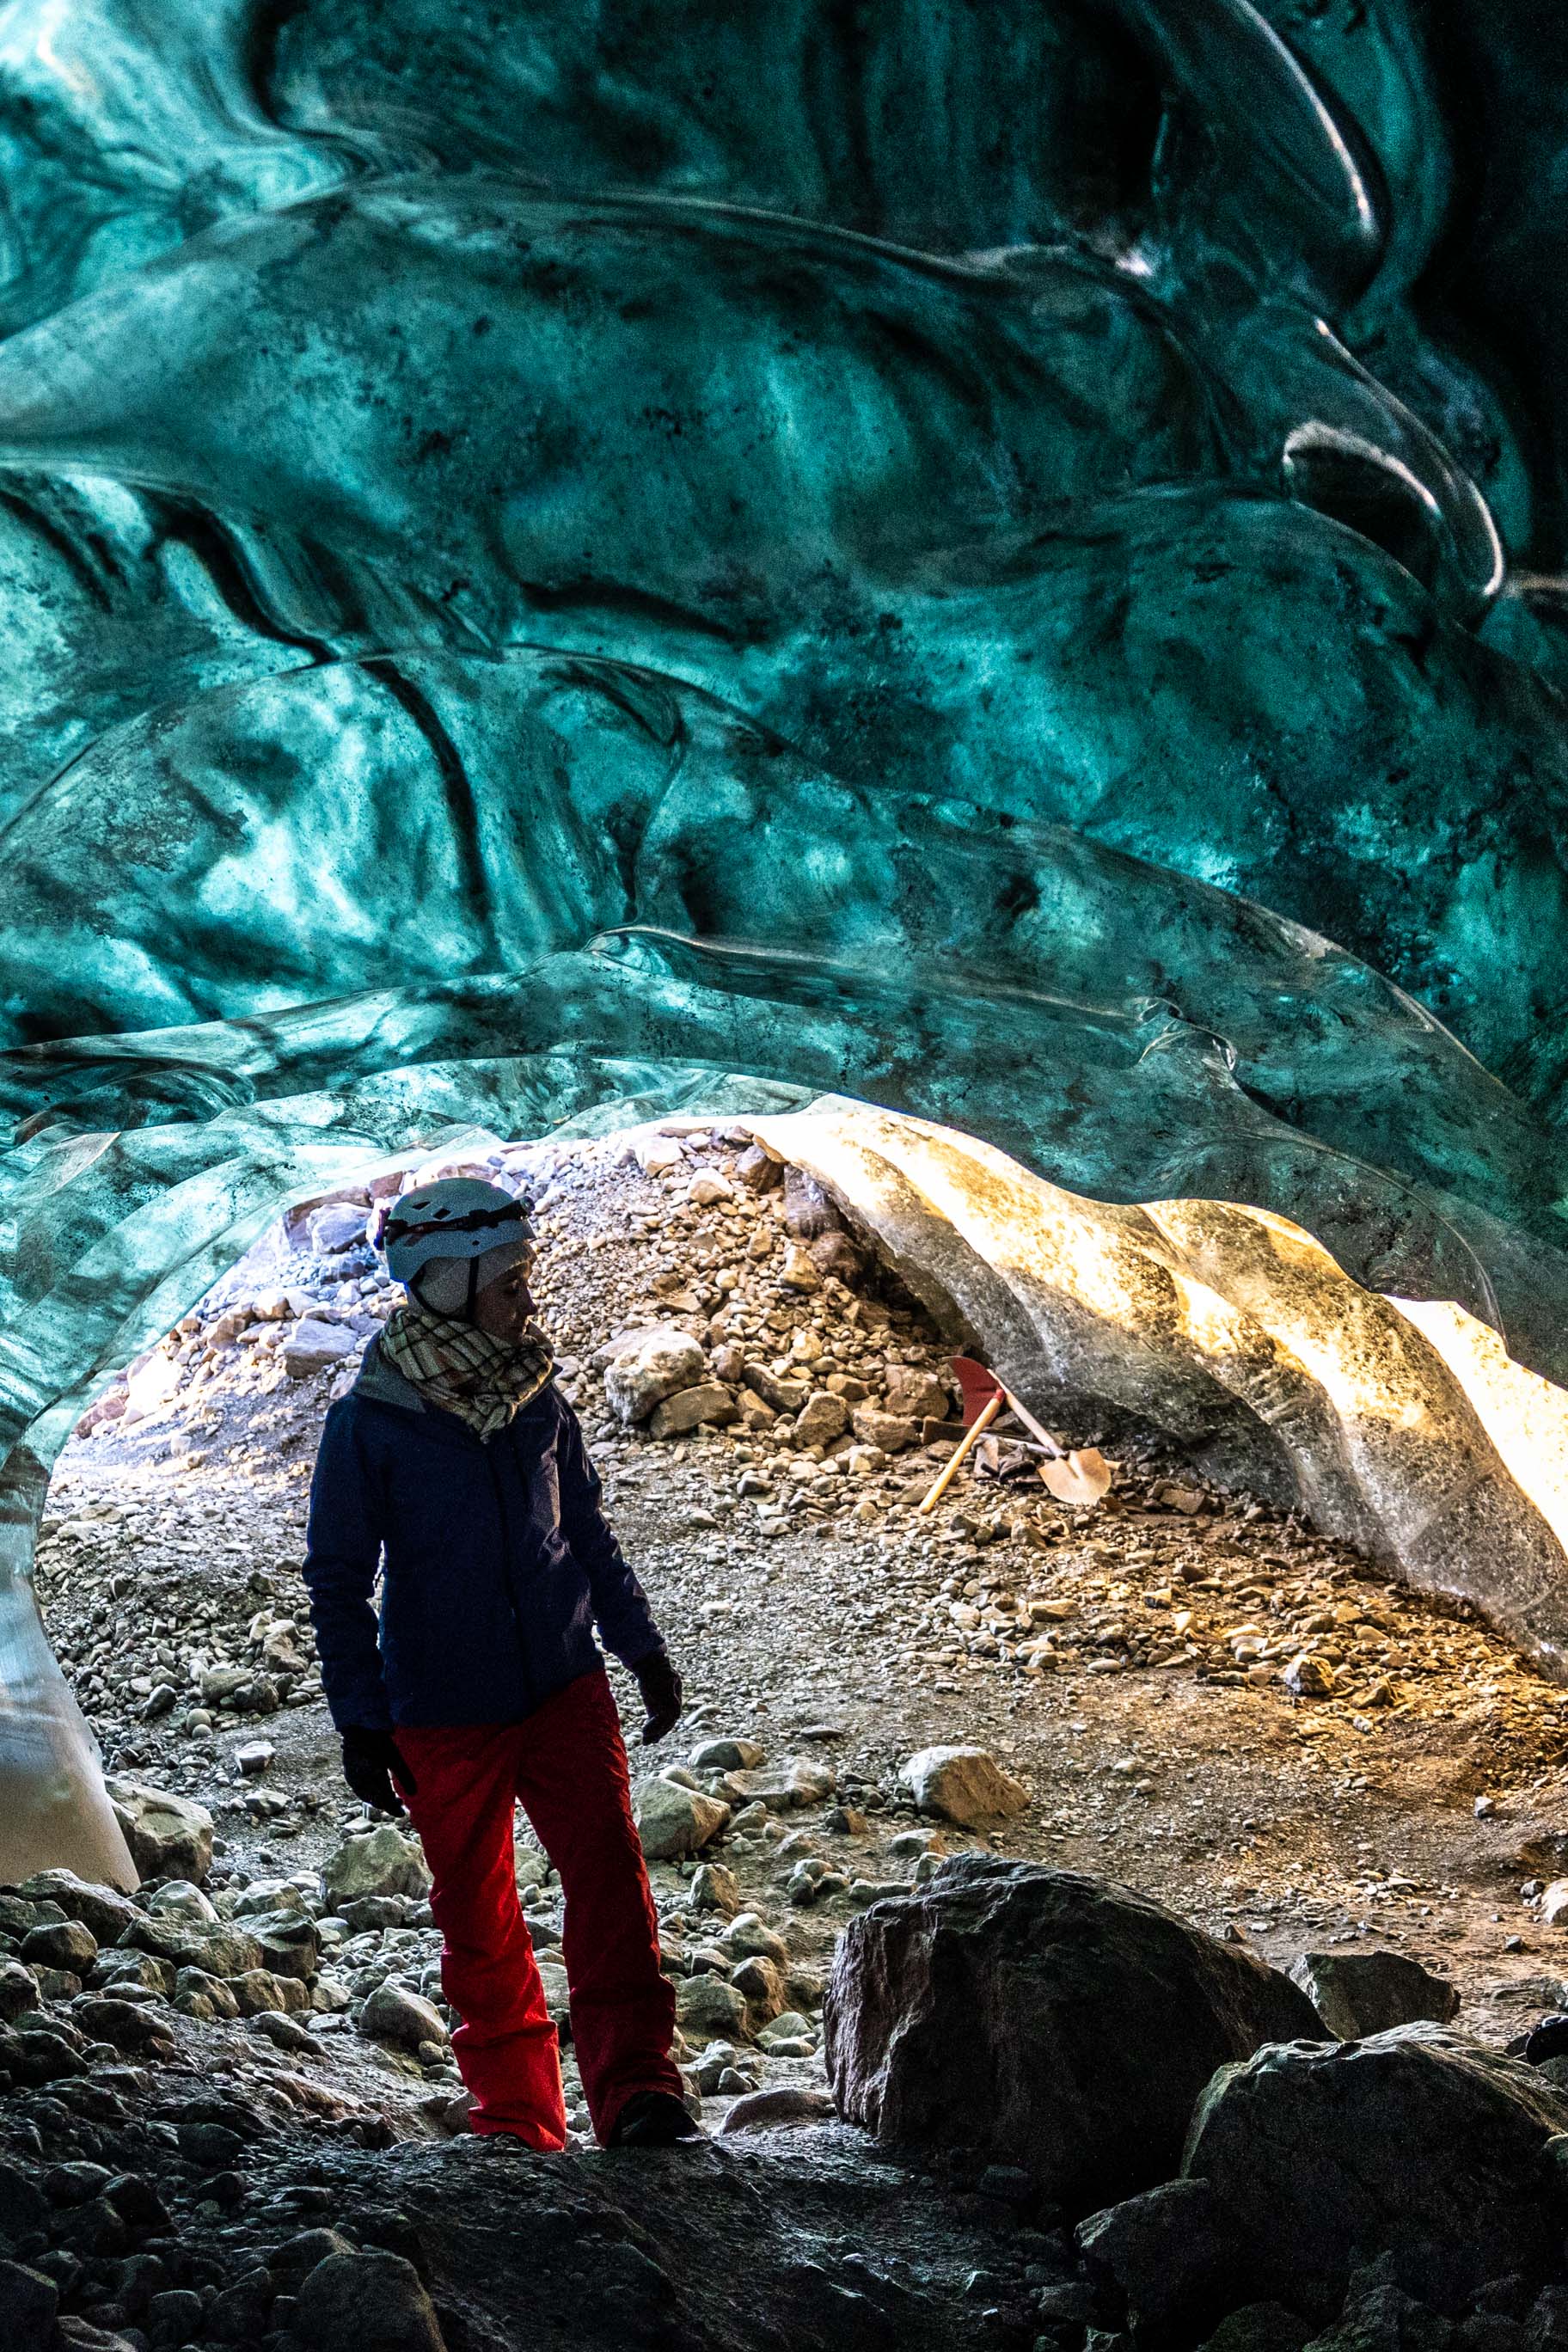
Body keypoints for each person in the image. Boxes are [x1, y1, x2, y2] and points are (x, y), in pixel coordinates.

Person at [302, 1175, 699, 2150]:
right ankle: (520, 2122)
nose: (527, 1301)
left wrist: (638, 1645)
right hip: (440, 1710)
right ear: (448, 1283)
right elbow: (338, 1579)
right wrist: (361, 1717)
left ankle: (638, 2092)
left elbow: (586, 1533)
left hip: (564, 1685)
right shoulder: (370, 1423)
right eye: (509, 1283)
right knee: (478, 1920)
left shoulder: (535, 1396)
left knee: (611, 1888)